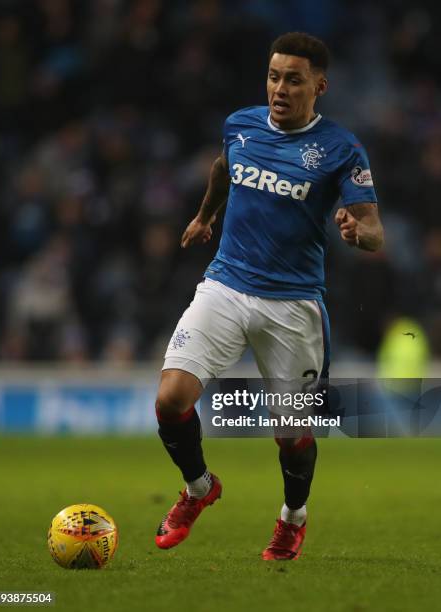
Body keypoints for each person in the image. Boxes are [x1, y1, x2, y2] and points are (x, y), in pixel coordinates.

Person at [154, 32, 384, 560]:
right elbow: (223, 168)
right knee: (170, 399)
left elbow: (375, 231)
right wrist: (205, 216)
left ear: (319, 86)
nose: (280, 88)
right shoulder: (241, 124)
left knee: (292, 434)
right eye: (274, 76)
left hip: (293, 305)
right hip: (226, 285)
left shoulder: (341, 148)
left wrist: (356, 231)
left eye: (294, 79)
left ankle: (292, 518)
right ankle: (198, 489)